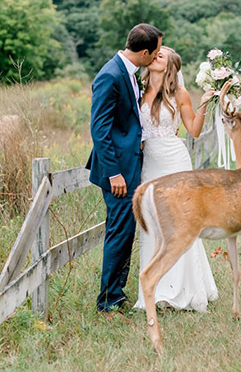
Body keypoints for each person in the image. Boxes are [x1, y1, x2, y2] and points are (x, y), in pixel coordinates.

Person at [134, 45, 219, 312]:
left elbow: (193, 130)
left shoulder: (179, 94)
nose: (153, 57)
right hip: (150, 165)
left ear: (169, 65)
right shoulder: (138, 91)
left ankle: (186, 289)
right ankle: (156, 289)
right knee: (153, 221)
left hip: (175, 162)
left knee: (180, 222)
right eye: (153, 54)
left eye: (160, 55)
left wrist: (205, 102)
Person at [86, 23, 163, 313]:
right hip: (117, 170)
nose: (155, 57)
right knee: (119, 231)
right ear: (144, 52)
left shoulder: (127, 72)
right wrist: (113, 172)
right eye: (154, 53)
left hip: (130, 165)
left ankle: (117, 292)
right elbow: (99, 129)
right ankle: (108, 300)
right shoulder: (110, 75)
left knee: (126, 230)